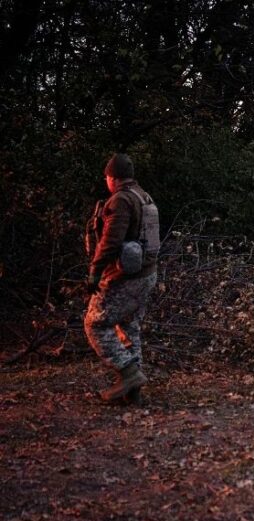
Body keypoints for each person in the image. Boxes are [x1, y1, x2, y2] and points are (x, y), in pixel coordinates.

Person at [84, 153, 160, 404]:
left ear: (113, 178)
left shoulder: (121, 200)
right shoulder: (144, 196)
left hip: (125, 277)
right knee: (129, 327)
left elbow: (111, 240)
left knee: (95, 324)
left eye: (107, 177)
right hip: (147, 274)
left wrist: (95, 270)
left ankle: (129, 375)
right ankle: (132, 394)